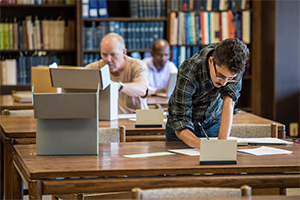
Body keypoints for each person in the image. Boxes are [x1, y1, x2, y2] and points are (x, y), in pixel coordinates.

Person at [166, 38, 249, 149]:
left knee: (219, 160)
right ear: (211, 61)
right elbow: (181, 124)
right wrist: (204, 146)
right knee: (180, 164)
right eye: (220, 76)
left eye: (230, 79)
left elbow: (229, 101)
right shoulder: (189, 71)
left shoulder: (235, 64)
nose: (224, 83)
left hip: (213, 121)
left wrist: (222, 146)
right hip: (183, 128)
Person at [85, 33, 149, 114]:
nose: (108, 59)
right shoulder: (93, 69)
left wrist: (117, 86)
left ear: (124, 52)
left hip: (134, 119)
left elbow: (142, 90)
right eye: (104, 54)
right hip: (105, 121)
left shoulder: (137, 66)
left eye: (113, 54)